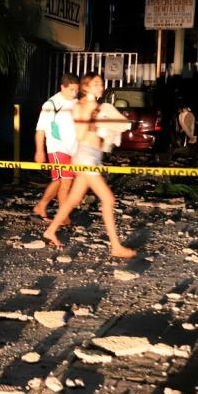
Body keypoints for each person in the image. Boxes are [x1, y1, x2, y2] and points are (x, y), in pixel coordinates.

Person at [42, 72, 136, 259]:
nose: (100, 88)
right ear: (85, 87)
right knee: (108, 200)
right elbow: (81, 133)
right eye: (96, 84)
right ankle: (116, 246)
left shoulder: (94, 106)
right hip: (86, 158)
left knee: (73, 200)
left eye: (101, 84)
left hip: (91, 156)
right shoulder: (85, 105)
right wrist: (99, 121)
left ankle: (50, 230)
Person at [32, 73, 79, 222]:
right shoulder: (50, 104)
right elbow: (40, 130)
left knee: (60, 181)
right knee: (65, 181)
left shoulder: (76, 102)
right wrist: (39, 151)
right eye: (71, 90)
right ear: (62, 87)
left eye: (76, 90)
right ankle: (63, 216)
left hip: (73, 149)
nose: (74, 93)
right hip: (57, 148)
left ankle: (42, 205)